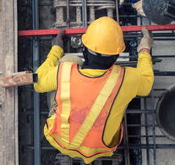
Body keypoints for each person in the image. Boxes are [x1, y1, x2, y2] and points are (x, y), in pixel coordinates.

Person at [33, 17, 154, 164]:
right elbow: (147, 83)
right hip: (102, 148)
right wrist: (144, 49)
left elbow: (37, 83)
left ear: (85, 50)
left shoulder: (65, 72)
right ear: (116, 57)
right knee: (121, 94)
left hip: (60, 140)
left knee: (69, 60)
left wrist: (56, 49)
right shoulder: (126, 78)